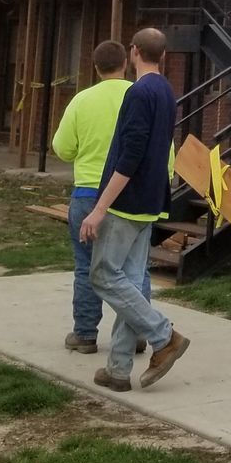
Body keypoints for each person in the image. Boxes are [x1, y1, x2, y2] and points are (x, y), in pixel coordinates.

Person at [77, 28, 191, 391]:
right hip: (150, 202)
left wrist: (100, 208)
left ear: (134, 51)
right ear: (163, 55)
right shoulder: (166, 91)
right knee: (129, 284)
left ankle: (164, 336)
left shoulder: (139, 92)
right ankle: (118, 369)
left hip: (126, 204)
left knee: (103, 276)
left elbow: (131, 155)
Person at [49, 40, 146, 358]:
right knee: (134, 269)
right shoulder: (141, 96)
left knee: (86, 266)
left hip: (88, 193)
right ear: (126, 64)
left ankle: (85, 334)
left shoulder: (82, 100)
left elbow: (63, 148)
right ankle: (138, 331)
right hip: (133, 193)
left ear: (95, 67)